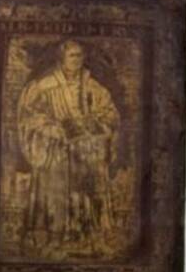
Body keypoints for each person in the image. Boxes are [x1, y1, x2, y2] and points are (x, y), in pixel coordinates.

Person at [17, 40, 120, 251]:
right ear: (61, 58)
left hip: (86, 150)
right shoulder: (44, 86)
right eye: (72, 55)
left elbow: (110, 113)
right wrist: (53, 129)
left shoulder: (93, 87)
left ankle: (84, 236)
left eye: (80, 55)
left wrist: (96, 124)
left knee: (89, 180)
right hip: (55, 149)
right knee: (57, 182)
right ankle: (52, 237)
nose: (77, 59)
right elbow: (29, 115)